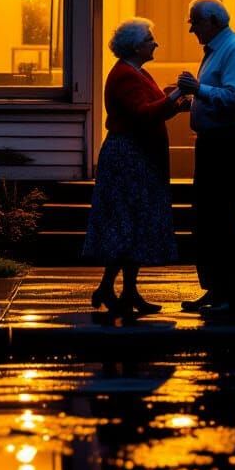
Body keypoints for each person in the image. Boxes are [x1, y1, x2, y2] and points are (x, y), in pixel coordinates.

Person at [83, 17, 188, 317]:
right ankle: (111, 287)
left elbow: (151, 107)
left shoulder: (136, 72)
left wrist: (172, 100)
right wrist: (176, 95)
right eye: (150, 39)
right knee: (127, 222)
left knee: (134, 223)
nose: (155, 43)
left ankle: (125, 291)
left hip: (137, 155)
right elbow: (143, 113)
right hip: (129, 157)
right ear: (135, 45)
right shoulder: (126, 76)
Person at [176, 0, 235, 320]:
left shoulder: (234, 50)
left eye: (194, 22)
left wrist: (199, 90)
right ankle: (216, 289)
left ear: (211, 21)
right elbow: (218, 95)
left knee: (224, 220)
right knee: (206, 219)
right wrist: (192, 102)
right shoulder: (216, 51)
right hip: (214, 142)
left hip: (230, 143)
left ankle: (234, 297)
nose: (192, 29)